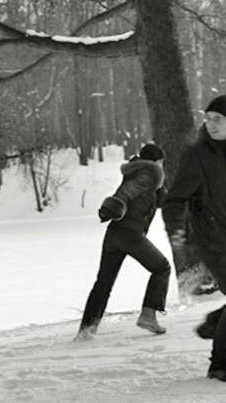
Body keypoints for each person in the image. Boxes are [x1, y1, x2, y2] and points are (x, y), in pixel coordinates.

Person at [76, 143, 171, 341]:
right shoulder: (149, 173)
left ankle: (87, 330)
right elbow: (128, 191)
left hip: (114, 235)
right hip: (131, 234)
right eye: (161, 162)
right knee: (162, 268)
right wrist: (114, 203)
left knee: (103, 283)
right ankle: (148, 315)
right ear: (156, 162)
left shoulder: (140, 174)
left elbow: (160, 199)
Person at [162, 94, 226, 381]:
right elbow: (175, 199)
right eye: (209, 119)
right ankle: (219, 365)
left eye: (218, 120)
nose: (211, 125)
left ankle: (215, 320)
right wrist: (176, 226)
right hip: (215, 240)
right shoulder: (198, 155)